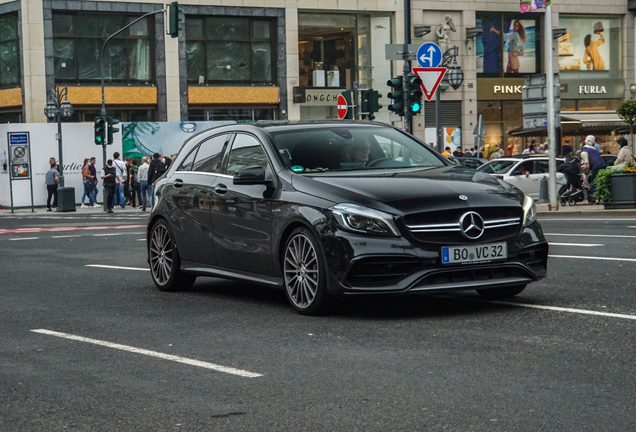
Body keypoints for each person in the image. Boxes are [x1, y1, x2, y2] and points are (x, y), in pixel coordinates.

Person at [580, 135, 607, 203]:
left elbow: (587, 165)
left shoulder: (584, 152)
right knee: (600, 182)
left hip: (596, 166)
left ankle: (592, 200)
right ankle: (601, 198)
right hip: (603, 165)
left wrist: (581, 169)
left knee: (593, 183)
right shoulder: (593, 149)